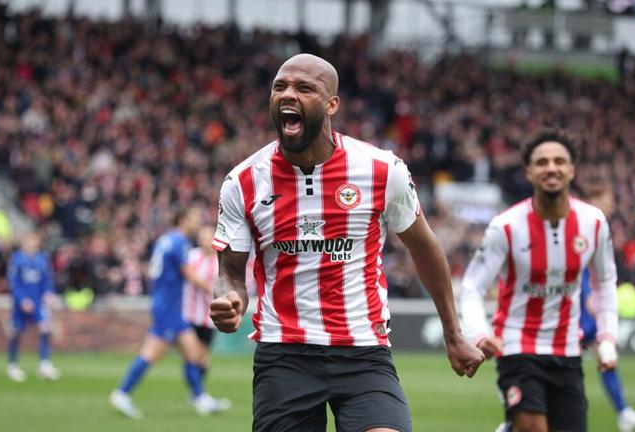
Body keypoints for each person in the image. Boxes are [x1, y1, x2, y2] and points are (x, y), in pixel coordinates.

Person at [209, 53, 485, 432]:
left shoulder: (381, 170)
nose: (288, 94)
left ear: (331, 104)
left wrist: (454, 335)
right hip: (285, 354)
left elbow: (424, 248)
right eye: (280, 87)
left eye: (304, 88)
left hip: (363, 352)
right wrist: (229, 299)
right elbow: (229, 274)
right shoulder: (242, 182)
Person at [460, 130, 619, 432]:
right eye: (542, 162)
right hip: (516, 346)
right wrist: (479, 334)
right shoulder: (505, 227)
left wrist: (608, 337)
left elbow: (605, 283)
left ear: (571, 170)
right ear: (529, 172)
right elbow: (471, 287)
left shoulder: (594, 222)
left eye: (559, 161)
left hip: (568, 350)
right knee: (533, 427)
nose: (551, 168)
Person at [109, 206, 227, 418]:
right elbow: (190, 275)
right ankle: (122, 394)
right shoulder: (179, 242)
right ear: (182, 219)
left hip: (168, 304)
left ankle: (200, 398)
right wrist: (216, 291)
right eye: (194, 217)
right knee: (151, 354)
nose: (197, 222)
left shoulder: (165, 240)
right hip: (169, 308)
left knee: (193, 353)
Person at [579, 188, 635, 432]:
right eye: (605, 200)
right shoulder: (583, 229)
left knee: (605, 356)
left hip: (587, 307)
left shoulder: (598, 229)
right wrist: (588, 294)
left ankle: (623, 412)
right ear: (593, 201)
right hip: (576, 308)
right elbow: (579, 267)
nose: (610, 205)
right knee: (560, 363)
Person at [181, 225, 231, 411]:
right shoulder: (192, 256)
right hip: (189, 314)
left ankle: (196, 393)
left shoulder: (220, 261)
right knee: (191, 355)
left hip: (209, 317)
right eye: (202, 237)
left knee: (203, 358)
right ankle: (198, 395)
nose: (204, 241)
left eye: (208, 237)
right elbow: (189, 277)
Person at [5, 231, 60, 382]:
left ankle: (44, 364)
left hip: (38, 302)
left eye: (35, 241)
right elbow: (14, 282)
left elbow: (47, 280)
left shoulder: (42, 259)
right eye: (30, 241)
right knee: (16, 332)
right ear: (24, 243)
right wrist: (22, 299)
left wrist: (48, 293)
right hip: (21, 304)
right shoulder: (17, 259)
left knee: (45, 328)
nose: (33, 244)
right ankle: (13, 365)